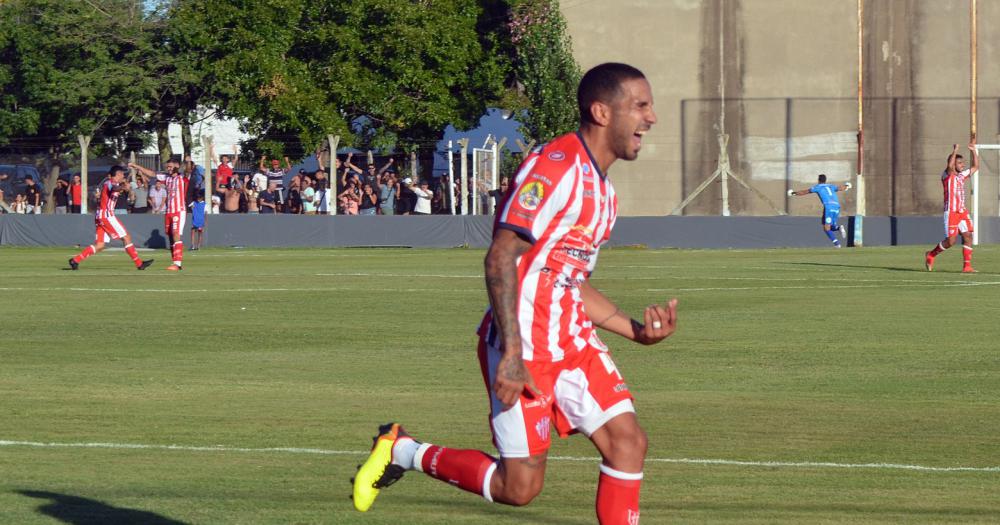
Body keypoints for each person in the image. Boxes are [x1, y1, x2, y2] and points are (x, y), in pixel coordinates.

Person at [352, 63, 678, 525]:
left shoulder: (604, 193)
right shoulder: (557, 167)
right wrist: (513, 351)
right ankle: (401, 449)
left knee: (629, 442)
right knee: (519, 489)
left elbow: (567, 280)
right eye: (641, 106)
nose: (651, 117)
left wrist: (635, 331)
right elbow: (501, 255)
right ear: (602, 111)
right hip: (524, 350)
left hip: (573, 344)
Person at [68, 166, 153, 271]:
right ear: (117, 174)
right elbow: (114, 188)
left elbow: (116, 190)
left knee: (100, 245)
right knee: (126, 237)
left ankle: (75, 260)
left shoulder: (114, 183)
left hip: (101, 216)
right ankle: (139, 264)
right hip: (106, 216)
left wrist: (124, 187)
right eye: (122, 174)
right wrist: (122, 187)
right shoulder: (109, 183)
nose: (123, 176)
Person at [925, 142, 979, 272]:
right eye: (960, 163)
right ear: (954, 163)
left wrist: (973, 151)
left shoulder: (961, 176)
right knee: (951, 241)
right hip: (951, 212)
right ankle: (931, 254)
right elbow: (949, 166)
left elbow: (976, 167)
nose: (963, 165)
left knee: (968, 236)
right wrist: (955, 151)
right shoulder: (947, 175)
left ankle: (967, 267)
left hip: (962, 212)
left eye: (963, 163)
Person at [131, 159, 188, 271]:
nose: (168, 169)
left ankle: (177, 264)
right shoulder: (167, 178)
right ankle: (174, 261)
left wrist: (188, 162)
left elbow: (188, 169)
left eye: (170, 167)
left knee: (176, 234)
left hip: (179, 210)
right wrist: (136, 166)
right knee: (171, 236)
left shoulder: (181, 177)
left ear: (176, 166)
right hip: (168, 211)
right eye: (167, 167)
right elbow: (152, 174)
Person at [787, 174, 851, 248]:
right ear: (825, 180)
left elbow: (805, 192)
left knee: (827, 228)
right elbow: (841, 188)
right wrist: (847, 186)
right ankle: (838, 229)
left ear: (818, 180)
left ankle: (837, 244)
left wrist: (793, 193)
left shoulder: (817, 187)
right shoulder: (831, 186)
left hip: (828, 207)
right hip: (837, 206)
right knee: (829, 226)